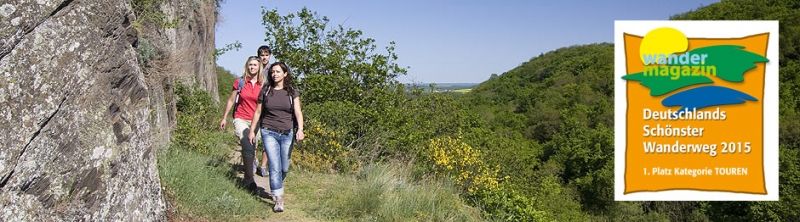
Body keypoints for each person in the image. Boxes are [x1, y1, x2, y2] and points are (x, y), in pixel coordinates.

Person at [249, 62, 305, 212]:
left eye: (278, 72)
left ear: (285, 74)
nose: (274, 74)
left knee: (284, 167)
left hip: (287, 133)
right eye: (273, 72)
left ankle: (278, 182)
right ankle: (279, 198)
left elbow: (298, 112)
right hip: (269, 131)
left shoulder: (292, 91)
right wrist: (252, 131)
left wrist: (300, 129)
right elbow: (258, 112)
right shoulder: (266, 90)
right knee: (274, 166)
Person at [220, 56, 265, 192]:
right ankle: (250, 181)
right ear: (247, 66)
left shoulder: (263, 84)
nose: (252, 67)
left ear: (259, 67)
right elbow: (231, 100)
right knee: (247, 144)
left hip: (256, 121)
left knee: (253, 147)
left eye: (255, 65)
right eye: (250, 65)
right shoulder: (240, 82)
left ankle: (247, 176)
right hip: (240, 118)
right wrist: (224, 117)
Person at [255, 45, 272, 177]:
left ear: (269, 56)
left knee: (267, 138)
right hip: (254, 106)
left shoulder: (273, 70)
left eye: (266, 54)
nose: (264, 57)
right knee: (253, 136)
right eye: (262, 55)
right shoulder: (254, 68)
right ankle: (253, 161)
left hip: (268, 107)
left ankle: (263, 166)